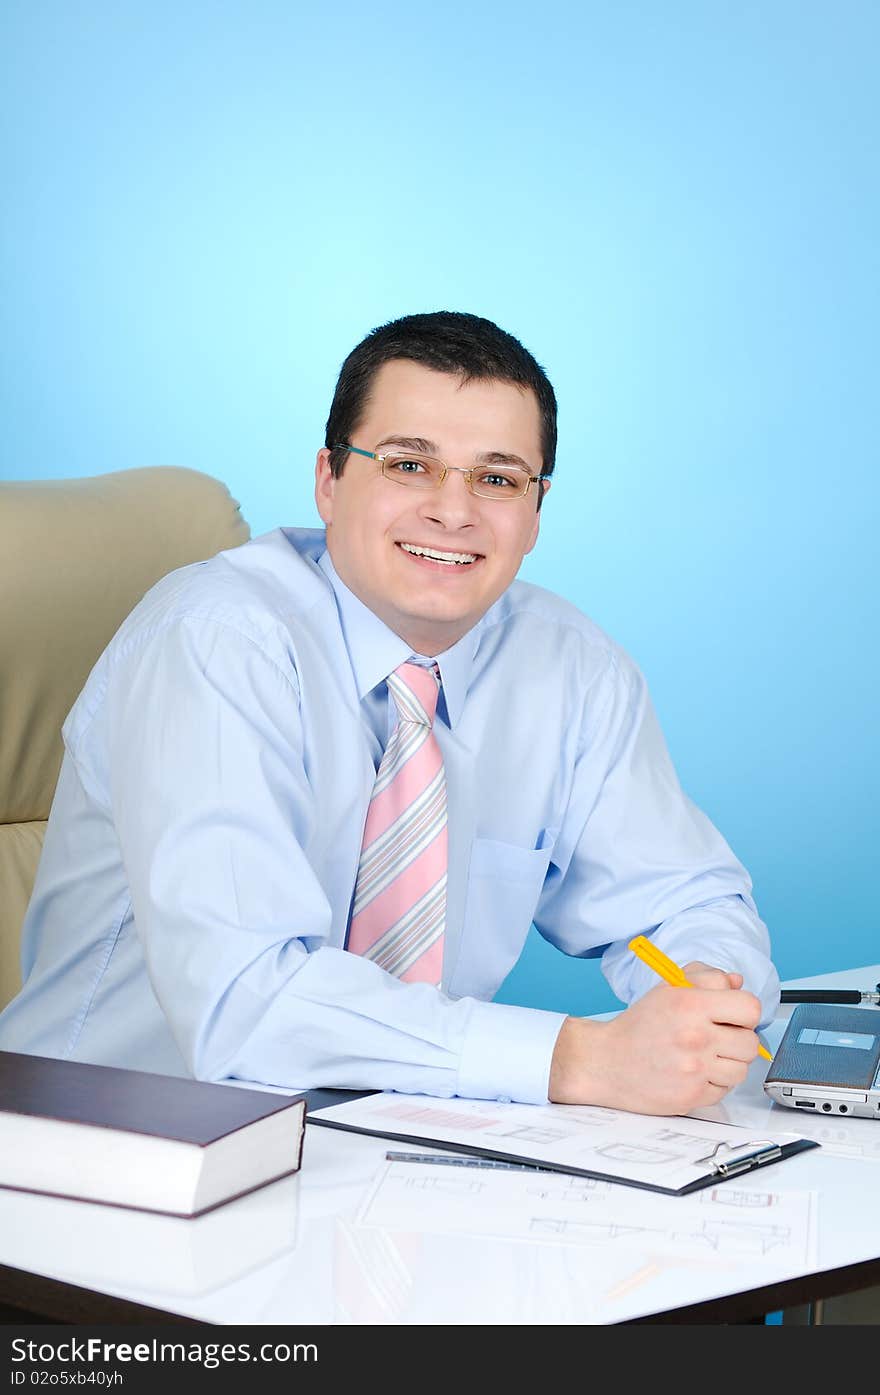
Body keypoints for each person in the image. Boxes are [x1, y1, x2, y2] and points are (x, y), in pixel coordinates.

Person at [0, 310, 780, 1114]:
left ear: (536, 510)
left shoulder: (571, 668)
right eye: (410, 464)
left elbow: (689, 899)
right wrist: (577, 1059)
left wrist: (704, 1004)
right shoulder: (215, 640)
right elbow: (243, 1004)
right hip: (108, 1153)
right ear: (329, 480)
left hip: (394, 1154)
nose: (454, 511)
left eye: (499, 478)